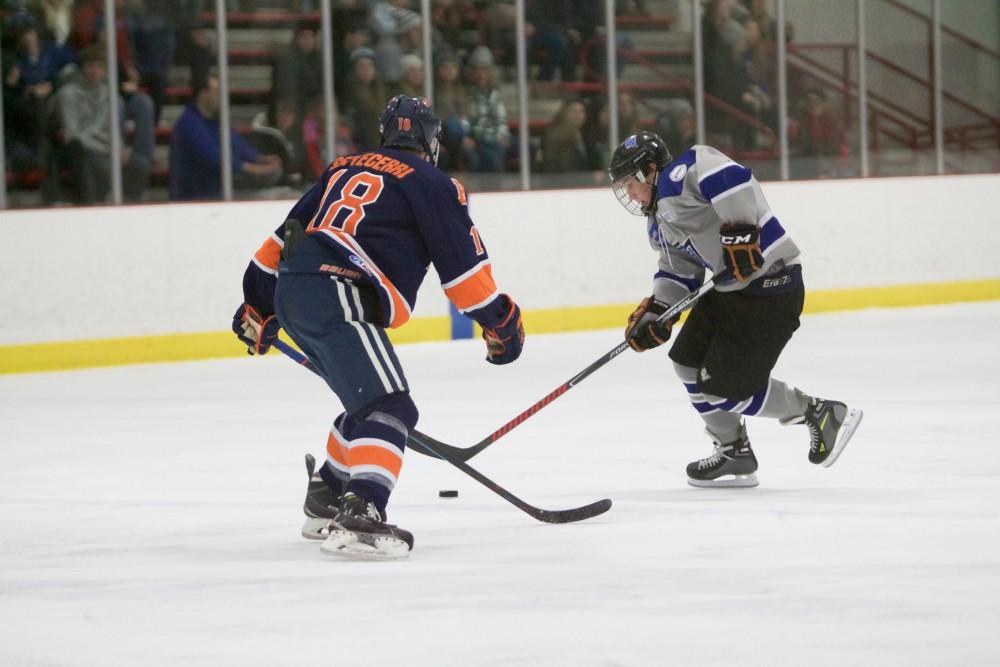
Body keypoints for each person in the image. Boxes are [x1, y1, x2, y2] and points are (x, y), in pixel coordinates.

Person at [231, 96, 525, 559]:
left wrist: (258, 305)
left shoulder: (343, 167)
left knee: (365, 401)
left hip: (296, 290)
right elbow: (464, 274)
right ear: (431, 140)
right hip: (339, 291)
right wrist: (500, 321)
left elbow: (278, 239)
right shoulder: (433, 182)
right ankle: (363, 510)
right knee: (391, 407)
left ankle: (326, 496)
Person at [607, 131, 863, 487]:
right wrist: (659, 309)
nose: (630, 195)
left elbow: (733, 178)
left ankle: (818, 413)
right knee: (686, 361)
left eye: (629, 184)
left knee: (723, 390)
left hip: (772, 286)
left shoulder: (683, 173)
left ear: (650, 169)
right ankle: (733, 450)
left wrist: (742, 231)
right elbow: (679, 271)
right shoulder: (659, 224)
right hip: (733, 292)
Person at [169, 72, 282, 201]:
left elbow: (236, 143)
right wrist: (256, 170)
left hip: (218, 191)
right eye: (217, 91)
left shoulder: (214, 121)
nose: (222, 97)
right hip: (198, 198)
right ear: (203, 94)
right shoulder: (189, 123)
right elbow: (215, 157)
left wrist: (260, 158)